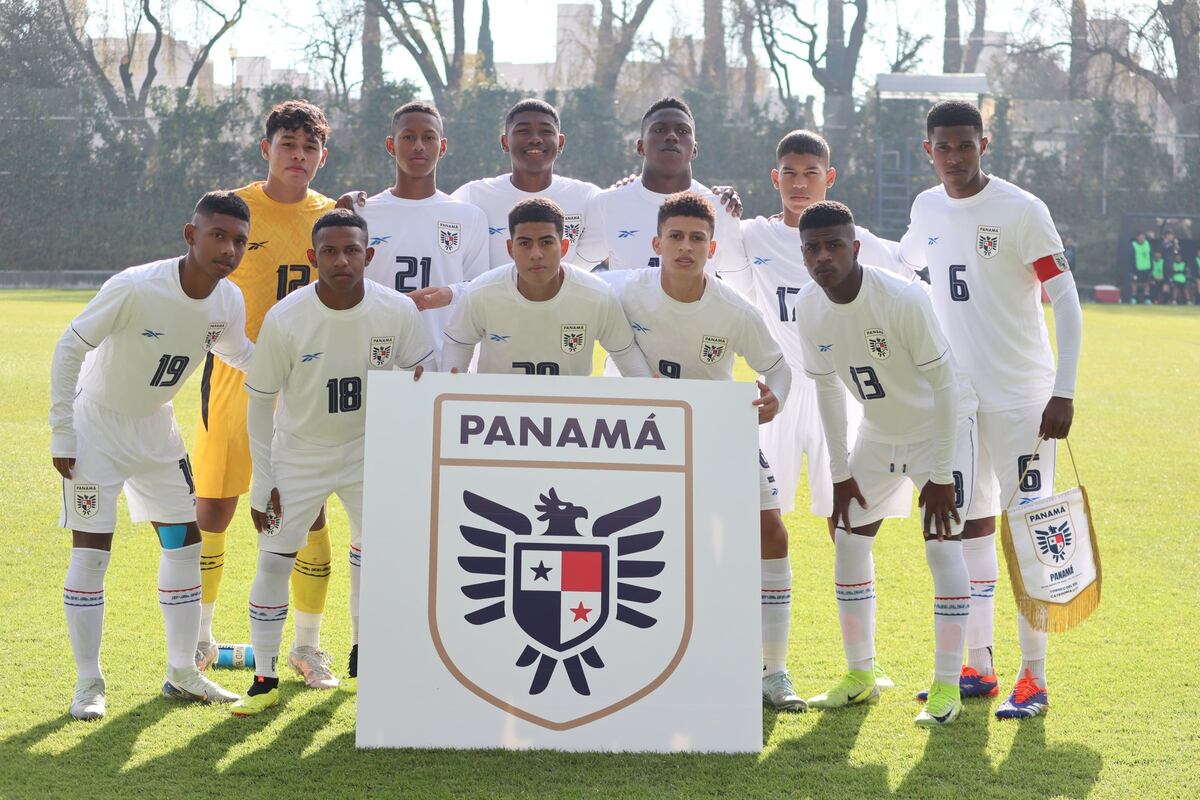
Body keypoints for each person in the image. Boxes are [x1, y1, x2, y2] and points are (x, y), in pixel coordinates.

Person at [899, 100, 1083, 719]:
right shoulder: (926, 208)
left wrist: (1064, 389)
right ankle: (979, 664)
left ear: (985, 143)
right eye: (942, 148)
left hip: (1024, 401)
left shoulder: (1022, 210)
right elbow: (901, 265)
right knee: (970, 528)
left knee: (1029, 530)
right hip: (957, 403)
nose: (953, 157)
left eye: (964, 145)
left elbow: (1068, 304)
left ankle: (1035, 679)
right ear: (928, 151)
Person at [717, 129, 910, 698]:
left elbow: (909, 288)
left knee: (848, 526)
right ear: (775, 179)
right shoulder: (748, 234)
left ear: (830, 177)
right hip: (771, 394)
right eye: (790, 173)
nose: (800, 184)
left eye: (811, 173)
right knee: (760, 525)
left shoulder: (861, 241)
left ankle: (862, 666)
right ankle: (764, 668)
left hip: (841, 394)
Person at [50, 191, 256, 719]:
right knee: (92, 553)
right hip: (96, 427)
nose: (227, 249)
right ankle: (88, 683)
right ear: (191, 235)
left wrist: (295, 372)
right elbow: (70, 346)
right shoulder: (136, 286)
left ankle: (182, 672)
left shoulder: (227, 300)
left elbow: (240, 354)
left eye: (237, 241)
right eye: (217, 236)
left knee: (185, 542)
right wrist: (62, 433)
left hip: (157, 431)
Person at [599, 191, 802, 711]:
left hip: (718, 431)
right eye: (675, 237)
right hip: (643, 435)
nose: (685, 247)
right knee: (640, 541)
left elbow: (777, 365)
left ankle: (774, 670)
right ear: (656, 243)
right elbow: (562, 286)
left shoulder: (733, 308)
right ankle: (640, 658)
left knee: (770, 530)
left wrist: (774, 394)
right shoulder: (626, 290)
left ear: (712, 249)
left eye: (696, 239)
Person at [231, 210, 434, 715]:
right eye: (329, 251)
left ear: (370, 254)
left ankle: (366, 664)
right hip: (299, 454)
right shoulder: (286, 317)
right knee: (275, 558)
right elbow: (258, 400)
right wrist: (263, 479)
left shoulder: (396, 311)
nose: (341, 260)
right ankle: (265, 678)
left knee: (378, 557)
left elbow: (417, 382)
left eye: (351, 250)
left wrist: (405, 458)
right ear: (312, 257)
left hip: (371, 450)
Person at [794, 201, 977, 727]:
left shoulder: (900, 297)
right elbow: (827, 388)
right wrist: (840, 470)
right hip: (878, 432)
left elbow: (944, 388)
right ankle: (860, 676)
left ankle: (946, 688)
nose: (823, 256)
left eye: (834, 245)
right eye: (813, 247)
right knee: (848, 541)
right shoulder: (810, 306)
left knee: (942, 550)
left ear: (855, 247)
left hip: (940, 428)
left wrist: (940, 475)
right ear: (802, 253)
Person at [192, 101, 340, 688]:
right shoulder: (234, 209)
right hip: (233, 376)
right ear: (266, 149)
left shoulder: (332, 215)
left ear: (321, 156)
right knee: (215, 508)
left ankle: (307, 648)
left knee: (309, 513)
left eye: (308, 147)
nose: (297, 156)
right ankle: (198, 639)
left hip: (306, 386)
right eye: (287, 144)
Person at [440, 197, 651, 377]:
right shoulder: (480, 293)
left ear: (564, 246)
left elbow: (625, 353)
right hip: (496, 420)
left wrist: (653, 394)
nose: (536, 253)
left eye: (546, 242)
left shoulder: (597, 296)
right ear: (510, 248)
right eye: (524, 243)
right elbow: (458, 346)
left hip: (570, 421)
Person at [349, 101, 489, 363]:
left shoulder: (468, 217)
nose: (418, 146)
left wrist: (449, 293)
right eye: (408, 137)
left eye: (428, 137)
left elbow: (480, 291)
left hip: (443, 367)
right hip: (376, 364)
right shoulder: (364, 214)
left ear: (443, 146)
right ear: (391, 145)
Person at [573, 97, 747, 275]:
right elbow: (572, 274)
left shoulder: (721, 207)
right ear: (640, 146)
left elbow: (742, 286)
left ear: (694, 149)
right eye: (659, 129)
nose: (672, 136)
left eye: (682, 130)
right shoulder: (607, 204)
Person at [450, 99, 600, 269]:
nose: (535, 139)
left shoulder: (588, 197)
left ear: (561, 143)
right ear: (505, 142)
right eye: (523, 131)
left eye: (545, 131)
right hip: (492, 296)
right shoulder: (472, 196)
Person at [1130, 232, 1152, 304]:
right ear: (1137, 237)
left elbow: (1150, 255)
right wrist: (1133, 268)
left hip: (1146, 267)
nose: (1142, 238)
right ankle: (1134, 298)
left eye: (1143, 237)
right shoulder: (1133, 245)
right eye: (1141, 237)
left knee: (1147, 283)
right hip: (1137, 268)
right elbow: (1131, 257)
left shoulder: (1147, 244)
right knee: (1135, 283)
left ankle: (1147, 298)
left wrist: (1151, 266)